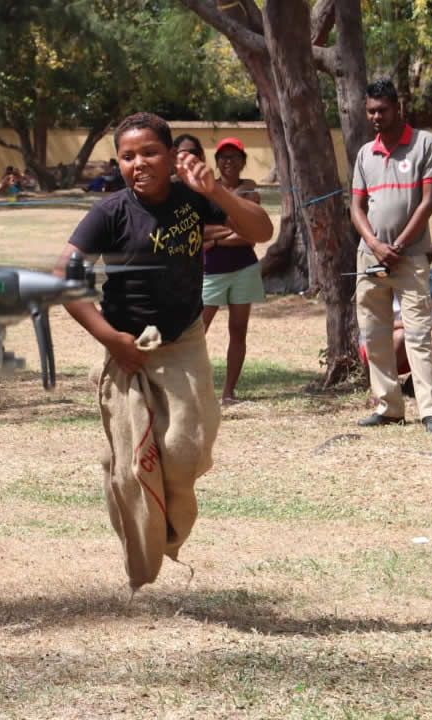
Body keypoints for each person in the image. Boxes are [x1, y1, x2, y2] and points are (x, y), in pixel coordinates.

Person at [57, 112, 272, 590]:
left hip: (183, 341)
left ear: (173, 156)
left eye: (149, 152)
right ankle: (143, 561)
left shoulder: (194, 199)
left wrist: (216, 191)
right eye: (128, 156)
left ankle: (169, 533)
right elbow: (62, 278)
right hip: (126, 346)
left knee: (184, 448)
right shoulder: (109, 213)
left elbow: (261, 232)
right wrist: (111, 340)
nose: (139, 163)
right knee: (131, 468)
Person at [351, 79, 432, 434]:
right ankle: (388, 407)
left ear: (398, 108)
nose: (376, 116)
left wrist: (398, 247)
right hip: (370, 256)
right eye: (371, 111)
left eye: (382, 110)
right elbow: (356, 207)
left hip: (410, 257)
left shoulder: (425, 144)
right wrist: (376, 245)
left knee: (418, 333)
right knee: (374, 335)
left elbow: (428, 202)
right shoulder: (365, 153)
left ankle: (430, 412)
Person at [181, 135, 268, 405]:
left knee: (238, 330)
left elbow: (250, 237)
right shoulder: (206, 189)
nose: (228, 162)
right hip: (212, 271)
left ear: (243, 161)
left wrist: (216, 239)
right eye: (223, 157)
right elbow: (198, 230)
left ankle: (229, 392)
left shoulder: (249, 190)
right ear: (216, 162)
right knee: (197, 331)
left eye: (234, 157)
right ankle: (190, 390)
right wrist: (233, 228)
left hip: (244, 268)